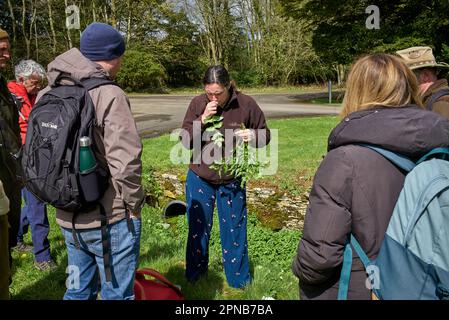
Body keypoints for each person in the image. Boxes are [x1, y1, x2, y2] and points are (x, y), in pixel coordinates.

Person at [292, 53, 449, 300]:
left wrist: (300, 270)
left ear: (356, 92)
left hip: (362, 288)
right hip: (425, 286)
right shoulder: (441, 147)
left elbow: (319, 258)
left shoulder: (344, 161)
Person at [37, 22, 145, 300]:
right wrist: (133, 207)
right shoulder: (110, 95)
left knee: (77, 290)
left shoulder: (46, 92)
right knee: (117, 295)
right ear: (115, 56)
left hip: (66, 216)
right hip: (110, 220)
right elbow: (126, 161)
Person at [180, 65, 271, 288]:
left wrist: (253, 135)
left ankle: (239, 282)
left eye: (218, 93)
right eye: (209, 92)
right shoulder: (198, 104)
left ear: (229, 86)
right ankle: (195, 278)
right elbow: (185, 140)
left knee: (234, 229)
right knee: (198, 229)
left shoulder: (246, 103)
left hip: (232, 180)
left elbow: (265, 134)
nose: (213, 97)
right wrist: (201, 120)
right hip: (200, 177)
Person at [7, 59, 56, 271]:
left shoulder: (32, 95)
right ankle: (42, 257)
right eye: (34, 83)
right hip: (23, 158)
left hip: (33, 155)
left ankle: (17, 237)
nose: (38, 87)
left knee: (34, 201)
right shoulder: (12, 98)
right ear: (21, 80)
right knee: (38, 206)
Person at [0, 27, 22, 300]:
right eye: (1, 49)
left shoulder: (2, 85)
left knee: (6, 245)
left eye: (7, 48)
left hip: (9, 177)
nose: (7, 54)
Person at [396, 46, 449, 117]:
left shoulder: (442, 103)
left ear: (425, 76)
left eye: (405, 76)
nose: (400, 81)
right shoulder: (425, 99)